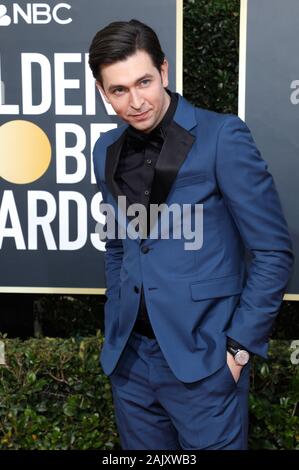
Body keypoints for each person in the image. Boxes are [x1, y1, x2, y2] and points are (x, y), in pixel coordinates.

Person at [88, 19, 294, 450]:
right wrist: (115, 323)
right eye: (119, 90)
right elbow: (118, 245)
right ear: (103, 92)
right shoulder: (105, 148)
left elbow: (272, 251)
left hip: (205, 363)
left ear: (164, 71)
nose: (136, 100)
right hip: (129, 365)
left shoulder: (222, 137)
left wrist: (238, 350)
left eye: (144, 81)